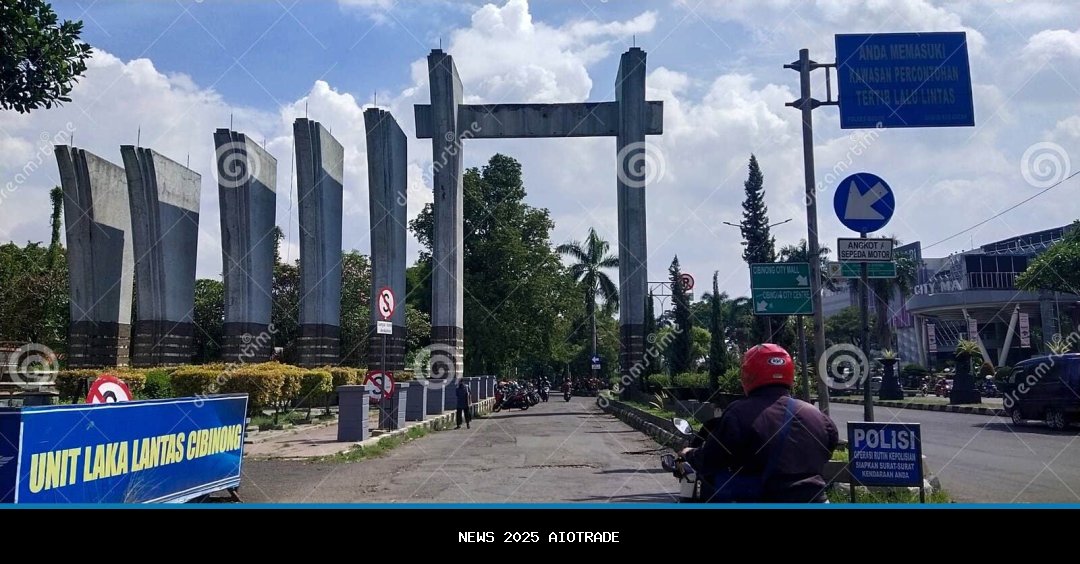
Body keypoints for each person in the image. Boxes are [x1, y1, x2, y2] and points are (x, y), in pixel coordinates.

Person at [680, 343, 838, 503]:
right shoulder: (818, 417)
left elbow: (711, 459)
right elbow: (826, 453)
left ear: (747, 375)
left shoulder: (738, 413)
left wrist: (689, 454)